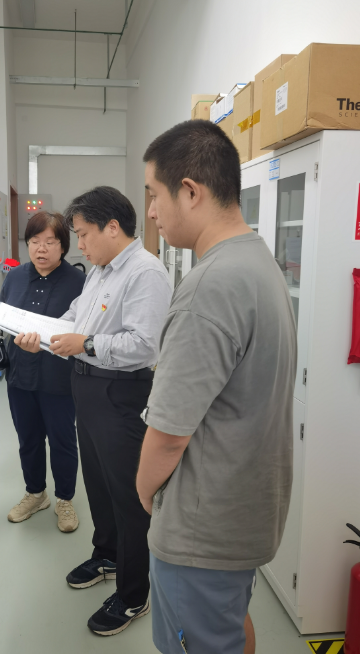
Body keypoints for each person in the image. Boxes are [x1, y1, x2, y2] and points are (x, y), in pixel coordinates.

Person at [136, 119, 297, 654]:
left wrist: (146, 495)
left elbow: (169, 436)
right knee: (229, 626)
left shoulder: (208, 286)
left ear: (190, 191)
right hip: (243, 510)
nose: (151, 212)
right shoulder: (258, 261)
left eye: (154, 194)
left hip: (200, 530)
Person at [15, 186, 172, 636]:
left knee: (128, 495)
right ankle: (106, 554)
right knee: (98, 484)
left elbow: (144, 345)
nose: (78, 244)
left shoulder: (145, 272)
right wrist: (41, 336)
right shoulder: (101, 272)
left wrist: (83, 343)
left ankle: (133, 593)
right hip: (86, 386)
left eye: (83, 234)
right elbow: (73, 320)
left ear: (112, 227)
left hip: (121, 393)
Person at [0, 211, 85, 533]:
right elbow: (3, 320)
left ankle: (65, 499)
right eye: (34, 241)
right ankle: (36, 494)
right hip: (20, 376)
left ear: (63, 245)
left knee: (62, 441)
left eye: (50, 242)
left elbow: (84, 332)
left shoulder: (78, 282)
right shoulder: (14, 277)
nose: (41, 248)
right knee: (28, 439)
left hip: (59, 378)